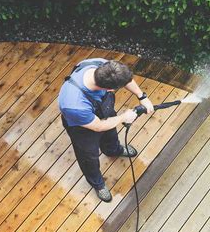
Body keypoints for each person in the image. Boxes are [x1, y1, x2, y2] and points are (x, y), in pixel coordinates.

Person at [58, 58, 154, 202]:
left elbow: (125, 79)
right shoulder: (74, 103)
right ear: (110, 90)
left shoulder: (102, 66)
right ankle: (98, 184)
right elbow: (98, 126)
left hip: (104, 112)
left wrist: (142, 97)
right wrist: (123, 117)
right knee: (88, 157)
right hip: (82, 128)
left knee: (110, 135)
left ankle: (113, 150)